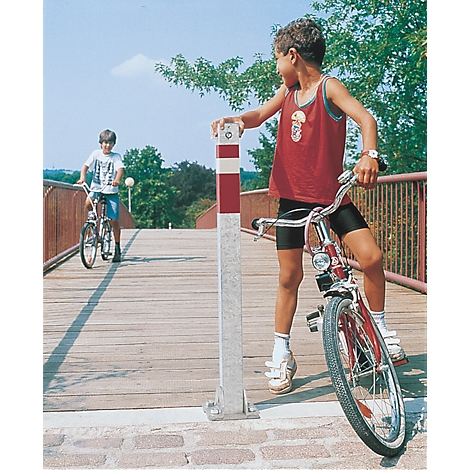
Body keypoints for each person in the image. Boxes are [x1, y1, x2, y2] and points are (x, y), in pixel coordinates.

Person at [211, 18, 405, 395]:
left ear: (293, 55)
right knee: (289, 277)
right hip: (292, 201)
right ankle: (282, 351)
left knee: (372, 258)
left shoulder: (328, 88)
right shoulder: (286, 92)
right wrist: (236, 119)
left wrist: (369, 155)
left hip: (332, 198)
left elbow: (366, 118)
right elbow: (258, 116)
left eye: (277, 59)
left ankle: (379, 328)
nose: (277, 66)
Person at [78, 129, 124, 262]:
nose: (107, 145)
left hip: (111, 191)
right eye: (105, 142)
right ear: (100, 143)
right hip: (97, 188)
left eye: (110, 143)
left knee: (114, 219)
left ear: (114, 144)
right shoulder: (96, 154)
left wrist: (117, 180)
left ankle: (117, 246)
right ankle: (92, 218)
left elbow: (120, 169)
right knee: (88, 202)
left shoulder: (116, 157)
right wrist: (82, 178)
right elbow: (85, 166)